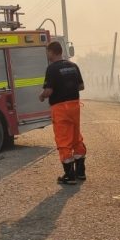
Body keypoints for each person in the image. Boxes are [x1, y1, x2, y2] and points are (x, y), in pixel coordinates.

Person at [39, 41, 87, 185]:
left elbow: (49, 91)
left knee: (63, 139)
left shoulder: (52, 69)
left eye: (48, 52)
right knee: (76, 137)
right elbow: (81, 86)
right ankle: (80, 172)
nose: (47, 55)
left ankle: (69, 175)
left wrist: (41, 96)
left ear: (52, 52)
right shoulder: (73, 66)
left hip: (60, 108)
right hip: (74, 106)